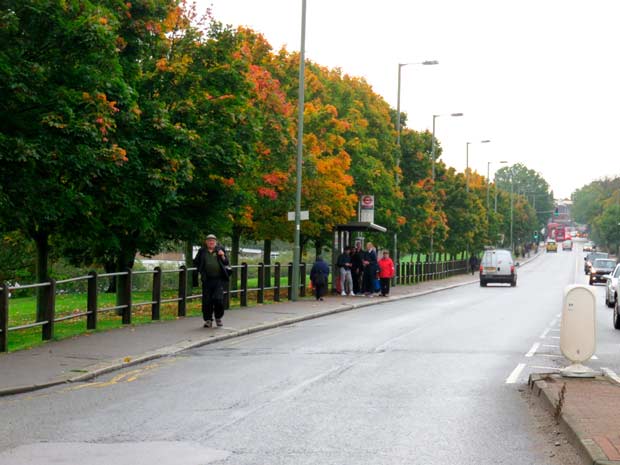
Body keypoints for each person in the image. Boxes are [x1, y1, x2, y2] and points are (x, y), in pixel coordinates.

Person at [193, 234, 230, 328]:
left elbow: (226, 262)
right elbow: (196, 262)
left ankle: (218, 317)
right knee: (207, 301)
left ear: (216, 242)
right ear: (206, 242)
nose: (211, 242)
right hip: (207, 280)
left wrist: (222, 256)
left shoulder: (220, 249)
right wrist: (199, 270)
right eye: (209, 240)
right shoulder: (202, 251)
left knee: (218, 300)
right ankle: (208, 320)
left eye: (213, 241)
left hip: (218, 280)